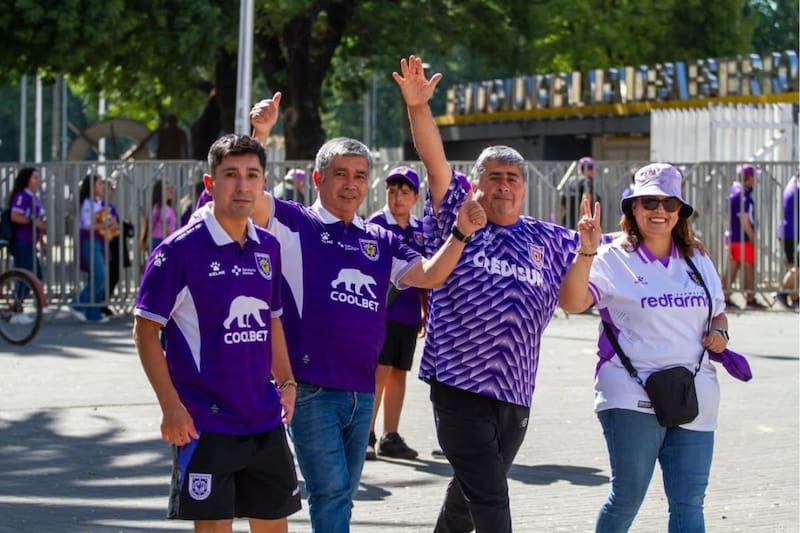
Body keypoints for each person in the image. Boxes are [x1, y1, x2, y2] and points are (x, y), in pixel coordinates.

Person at [250, 91, 486, 533]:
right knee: (331, 492)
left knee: (343, 494)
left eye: (360, 175)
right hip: (311, 389)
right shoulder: (293, 222)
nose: (351, 184)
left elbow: (431, 275)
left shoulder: (380, 239)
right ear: (318, 178)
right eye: (340, 174)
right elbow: (250, 194)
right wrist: (260, 134)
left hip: (361, 393)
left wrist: (460, 233)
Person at [394, 54, 583, 533]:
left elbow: (588, 282)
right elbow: (434, 162)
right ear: (475, 185)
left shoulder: (549, 238)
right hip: (459, 387)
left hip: (515, 392)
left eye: (511, 178)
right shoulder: (457, 214)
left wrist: (674, 243)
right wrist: (418, 106)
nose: (503, 186)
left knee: (468, 497)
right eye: (493, 177)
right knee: (491, 500)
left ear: (524, 189)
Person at [132, 134, 301, 532]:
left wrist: (288, 381)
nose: (242, 185)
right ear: (210, 183)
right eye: (231, 175)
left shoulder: (268, 247)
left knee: (274, 527)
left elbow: (272, 318)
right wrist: (170, 406)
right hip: (204, 424)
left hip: (263, 418)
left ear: (263, 183)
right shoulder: (178, 251)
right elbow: (145, 331)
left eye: (252, 175)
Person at [559, 162, 731, 532]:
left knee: (689, 503)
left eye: (670, 203)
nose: (660, 211)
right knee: (627, 497)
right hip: (630, 393)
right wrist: (585, 252)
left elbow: (718, 313)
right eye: (650, 202)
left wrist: (720, 332)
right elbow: (572, 303)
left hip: (694, 394)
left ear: (680, 211)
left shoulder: (698, 257)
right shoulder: (611, 257)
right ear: (633, 208)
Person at [365, 166, 427, 461]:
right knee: (379, 372)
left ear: (415, 197)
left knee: (399, 373)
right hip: (381, 314)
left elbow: (426, 272)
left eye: (404, 192)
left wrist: (426, 309)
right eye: (392, 191)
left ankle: (390, 434)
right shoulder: (376, 224)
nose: (397, 197)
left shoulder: (421, 229)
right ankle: (366, 434)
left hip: (408, 314)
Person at [71, 173, 116, 323]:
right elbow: (87, 225)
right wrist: (105, 225)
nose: (103, 187)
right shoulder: (88, 204)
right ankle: (78, 303)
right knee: (100, 276)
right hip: (90, 242)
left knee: (100, 277)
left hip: (98, 242)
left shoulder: (97, 203)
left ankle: (93, 312)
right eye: (100, 183)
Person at [723, 164, 766, 309]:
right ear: (748, 178)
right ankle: (750, 299)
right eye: (754, 177)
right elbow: (744, 218)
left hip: (734, 237)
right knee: (748, 268)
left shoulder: (735, 191)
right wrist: (752, 237)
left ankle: (723, 298)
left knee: (732, 269)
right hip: (741, 238)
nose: (755, 180)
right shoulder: (743, 194)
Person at [7, 167, 47, 297]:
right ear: (27, 179)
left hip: (30, 242)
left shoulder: (34, 197)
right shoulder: (22, 196)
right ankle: (17, 303)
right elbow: (15, 216)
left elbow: (38, 221)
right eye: (35, 177)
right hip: (21, 241)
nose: (38, 180)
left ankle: (17, 302)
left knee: (30, 275)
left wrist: (42, 242)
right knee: (31, 275)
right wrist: (33, 222)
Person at [102, 180, 133, 317]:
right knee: (108, 275)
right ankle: (101, 303)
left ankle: (104, 303)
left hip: (114, 243)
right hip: (108, 244)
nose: (113, 191)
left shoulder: (110, 206)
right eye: (111, 188)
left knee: (114, 275)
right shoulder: (103, 206)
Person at [777, 170, 800, 309]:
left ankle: (794, 297)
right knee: (796, 268)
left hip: (789, 233)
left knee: (793, 266)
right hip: (793, 234)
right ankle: (783, 292)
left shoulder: (792, 185)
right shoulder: (797, 188)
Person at [561, 156, 599, 228]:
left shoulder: (570, 181)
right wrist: (582, 219)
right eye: (592, 168)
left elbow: (561, 204)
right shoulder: (587, 180)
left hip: (567, 223)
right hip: (582, 225)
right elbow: (586, 198)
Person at [146, 179, 177, 252]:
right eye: (167, 189)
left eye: (170, 188)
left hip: (156, 242)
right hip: (164, 242)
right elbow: (167, 229)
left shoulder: (156, 207)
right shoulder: (164, 209)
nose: (171, 191)